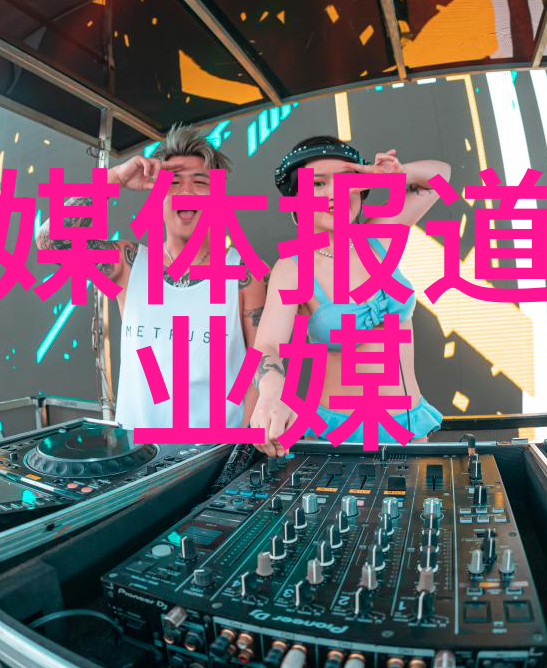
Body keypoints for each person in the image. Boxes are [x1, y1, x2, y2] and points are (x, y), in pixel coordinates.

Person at [37, 124, 267, 430]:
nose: (186, 192)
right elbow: (51, 242)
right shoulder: (129, 263)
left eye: (200, 182)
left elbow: (259, 370)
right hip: (137, 452)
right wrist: (115, 179)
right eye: (173, 182)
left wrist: (239, 449)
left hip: (216, 453)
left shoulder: (245, 275)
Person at [251, 137, 449, 455]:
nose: (335, 194)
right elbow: (268, 344)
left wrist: (398, 173)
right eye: (318, 184)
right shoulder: (292, 269)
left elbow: (440, 177)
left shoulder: (381, 235)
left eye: (346, 181)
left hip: (409, 427)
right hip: (340, 436)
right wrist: (272, 387)